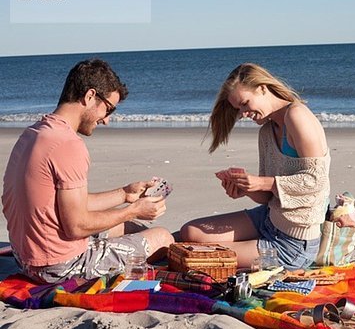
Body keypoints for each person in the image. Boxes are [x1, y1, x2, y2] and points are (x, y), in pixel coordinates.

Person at [2, 59, 174, 283]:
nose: (107, 121)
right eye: (108, 109)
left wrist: (125, 194)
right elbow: (76, 226)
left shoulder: (34, 133)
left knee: (130, 227)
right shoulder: (68, 144)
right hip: (59, 266)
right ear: (90, 96)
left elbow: (70, 204)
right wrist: (133, 210)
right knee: (163, 237)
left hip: (26, 256)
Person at [180, 63, 330, 270]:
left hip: (292, 243)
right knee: (190, 232)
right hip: (268, 218)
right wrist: (247, 189)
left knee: (196, 257)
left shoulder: (297, 115)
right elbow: (268, 196)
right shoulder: (266, 132)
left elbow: (317, 181)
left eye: (244, 104)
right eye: (238, 109)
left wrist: (262, 182)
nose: (243, 114)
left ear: (262, 88)